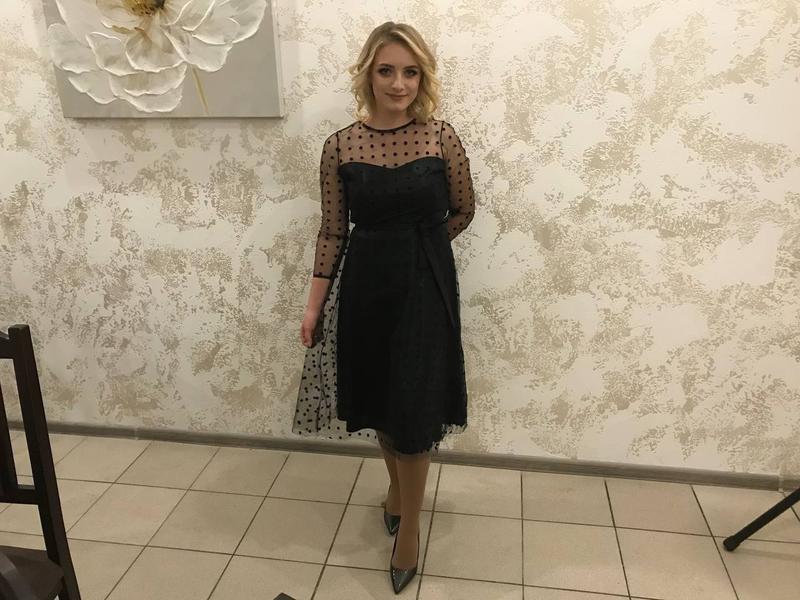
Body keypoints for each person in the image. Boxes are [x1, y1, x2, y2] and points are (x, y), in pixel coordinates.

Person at [294, 21, 475, 594]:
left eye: (411, 72)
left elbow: (464, 209)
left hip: (425, 289)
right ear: (368, 75)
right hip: (366, 287)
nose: (399, 83)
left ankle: (410, 530)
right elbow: (331, 231)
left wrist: (422, 250)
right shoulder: (341, 146)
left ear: (423, 78)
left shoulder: (441, 138)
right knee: (379, 396)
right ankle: (396, 491)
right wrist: (313, 306)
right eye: (387, 70)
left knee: (415, 408)